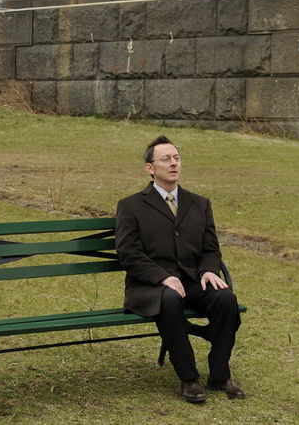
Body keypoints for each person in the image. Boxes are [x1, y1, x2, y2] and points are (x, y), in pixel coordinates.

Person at [115, 135, 245, 404]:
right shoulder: (131, 206)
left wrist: (209, 270)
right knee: (171, 299)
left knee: (225, 298)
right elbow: (129, 254)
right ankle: (189, 378)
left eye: (176, 158)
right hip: (150, 287)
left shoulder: (199, 203)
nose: (173, 163)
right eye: (165, 159)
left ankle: (219, 375)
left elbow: (211, 248)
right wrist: (163, 277)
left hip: (193, 282)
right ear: (150, 168)